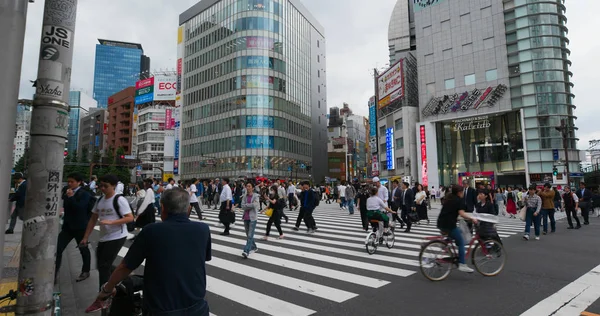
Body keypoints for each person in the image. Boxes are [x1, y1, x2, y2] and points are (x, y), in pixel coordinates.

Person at [92, 188, 211, 315]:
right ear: (188, 209)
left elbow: (125, 266)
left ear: (163, 208)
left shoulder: (152, 231)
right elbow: (198, 259)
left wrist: (107, 289)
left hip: (161, 309)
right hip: (197, 307)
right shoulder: (203, 229)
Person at [82, 175, 134, 312]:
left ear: (114, 186)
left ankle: (103, 297)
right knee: (101, 264)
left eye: (106, 186)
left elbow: (129, 218)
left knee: (104, 267)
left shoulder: (119, 199)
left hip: (118, 236)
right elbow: (93, 219)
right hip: (104, 237)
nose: (103, 188)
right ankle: (123, 274)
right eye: (101, 185)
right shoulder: (99, 200)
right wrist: (85, 237)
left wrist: (111, 222)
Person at [56, 173, 94, 283]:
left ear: (79, 182)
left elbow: (80, 208)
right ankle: (54, 273)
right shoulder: (68, 192)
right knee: (58, 249)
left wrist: (71, 197)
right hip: (68, 227)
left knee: (83, 249)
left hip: (81, 227)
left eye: (72, 182)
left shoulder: (84, 194)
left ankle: (85, 271)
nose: (69, 183)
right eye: (68, 181)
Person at [436, 184, 479, 273]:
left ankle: (446, 243)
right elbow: (462, 213)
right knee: (461, 242)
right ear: (459, 192)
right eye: (462, 192)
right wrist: (472, 218)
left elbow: (451, 212)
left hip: (441, 223)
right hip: (449, 225)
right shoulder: (459, 201)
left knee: (459, 232)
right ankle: (462, 264)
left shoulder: (449, 198)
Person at [241, 182, 260, 258]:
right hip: (246, 217)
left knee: (249, 235)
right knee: (248, 235)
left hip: (252, 218)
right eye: (247, 186)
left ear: (252, 188)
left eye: (249, 186)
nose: (248, 187)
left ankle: (246, 251)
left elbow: (255, 205)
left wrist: (246, 206)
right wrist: (249, 205)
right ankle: (254, 247)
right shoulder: (244, 196)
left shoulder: (256, 196)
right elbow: (242, 206)